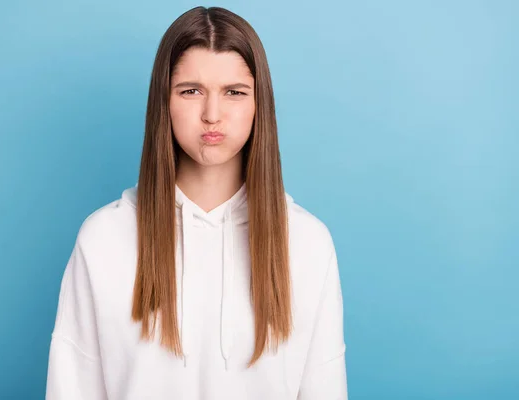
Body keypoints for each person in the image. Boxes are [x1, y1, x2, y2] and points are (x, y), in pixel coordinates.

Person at [45, 6, 347, 400]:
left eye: (234, 93)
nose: (212, 114)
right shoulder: (103, 238)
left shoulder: (308, 243)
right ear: (163, 102)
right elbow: (72, 389)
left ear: (259, 105)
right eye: (191, 91)